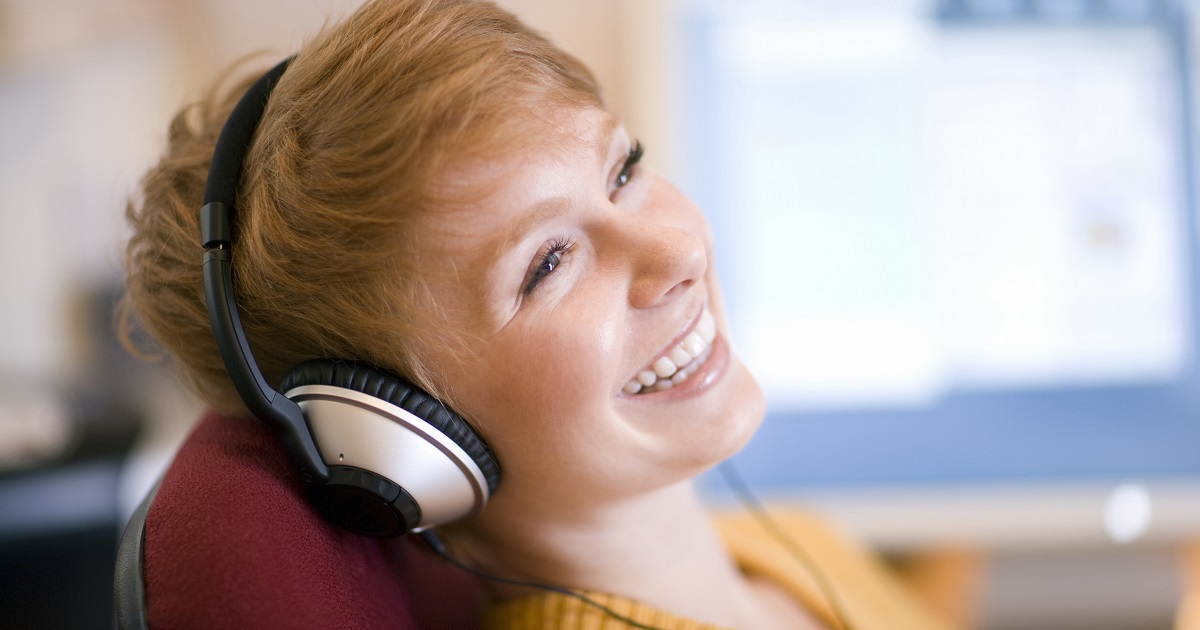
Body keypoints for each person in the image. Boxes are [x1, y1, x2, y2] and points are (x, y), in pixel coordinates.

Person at [120, 0, 955, 627]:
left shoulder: (781, 544)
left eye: (623, 169)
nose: (678, 255)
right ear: (410, 440)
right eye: (548, 265)